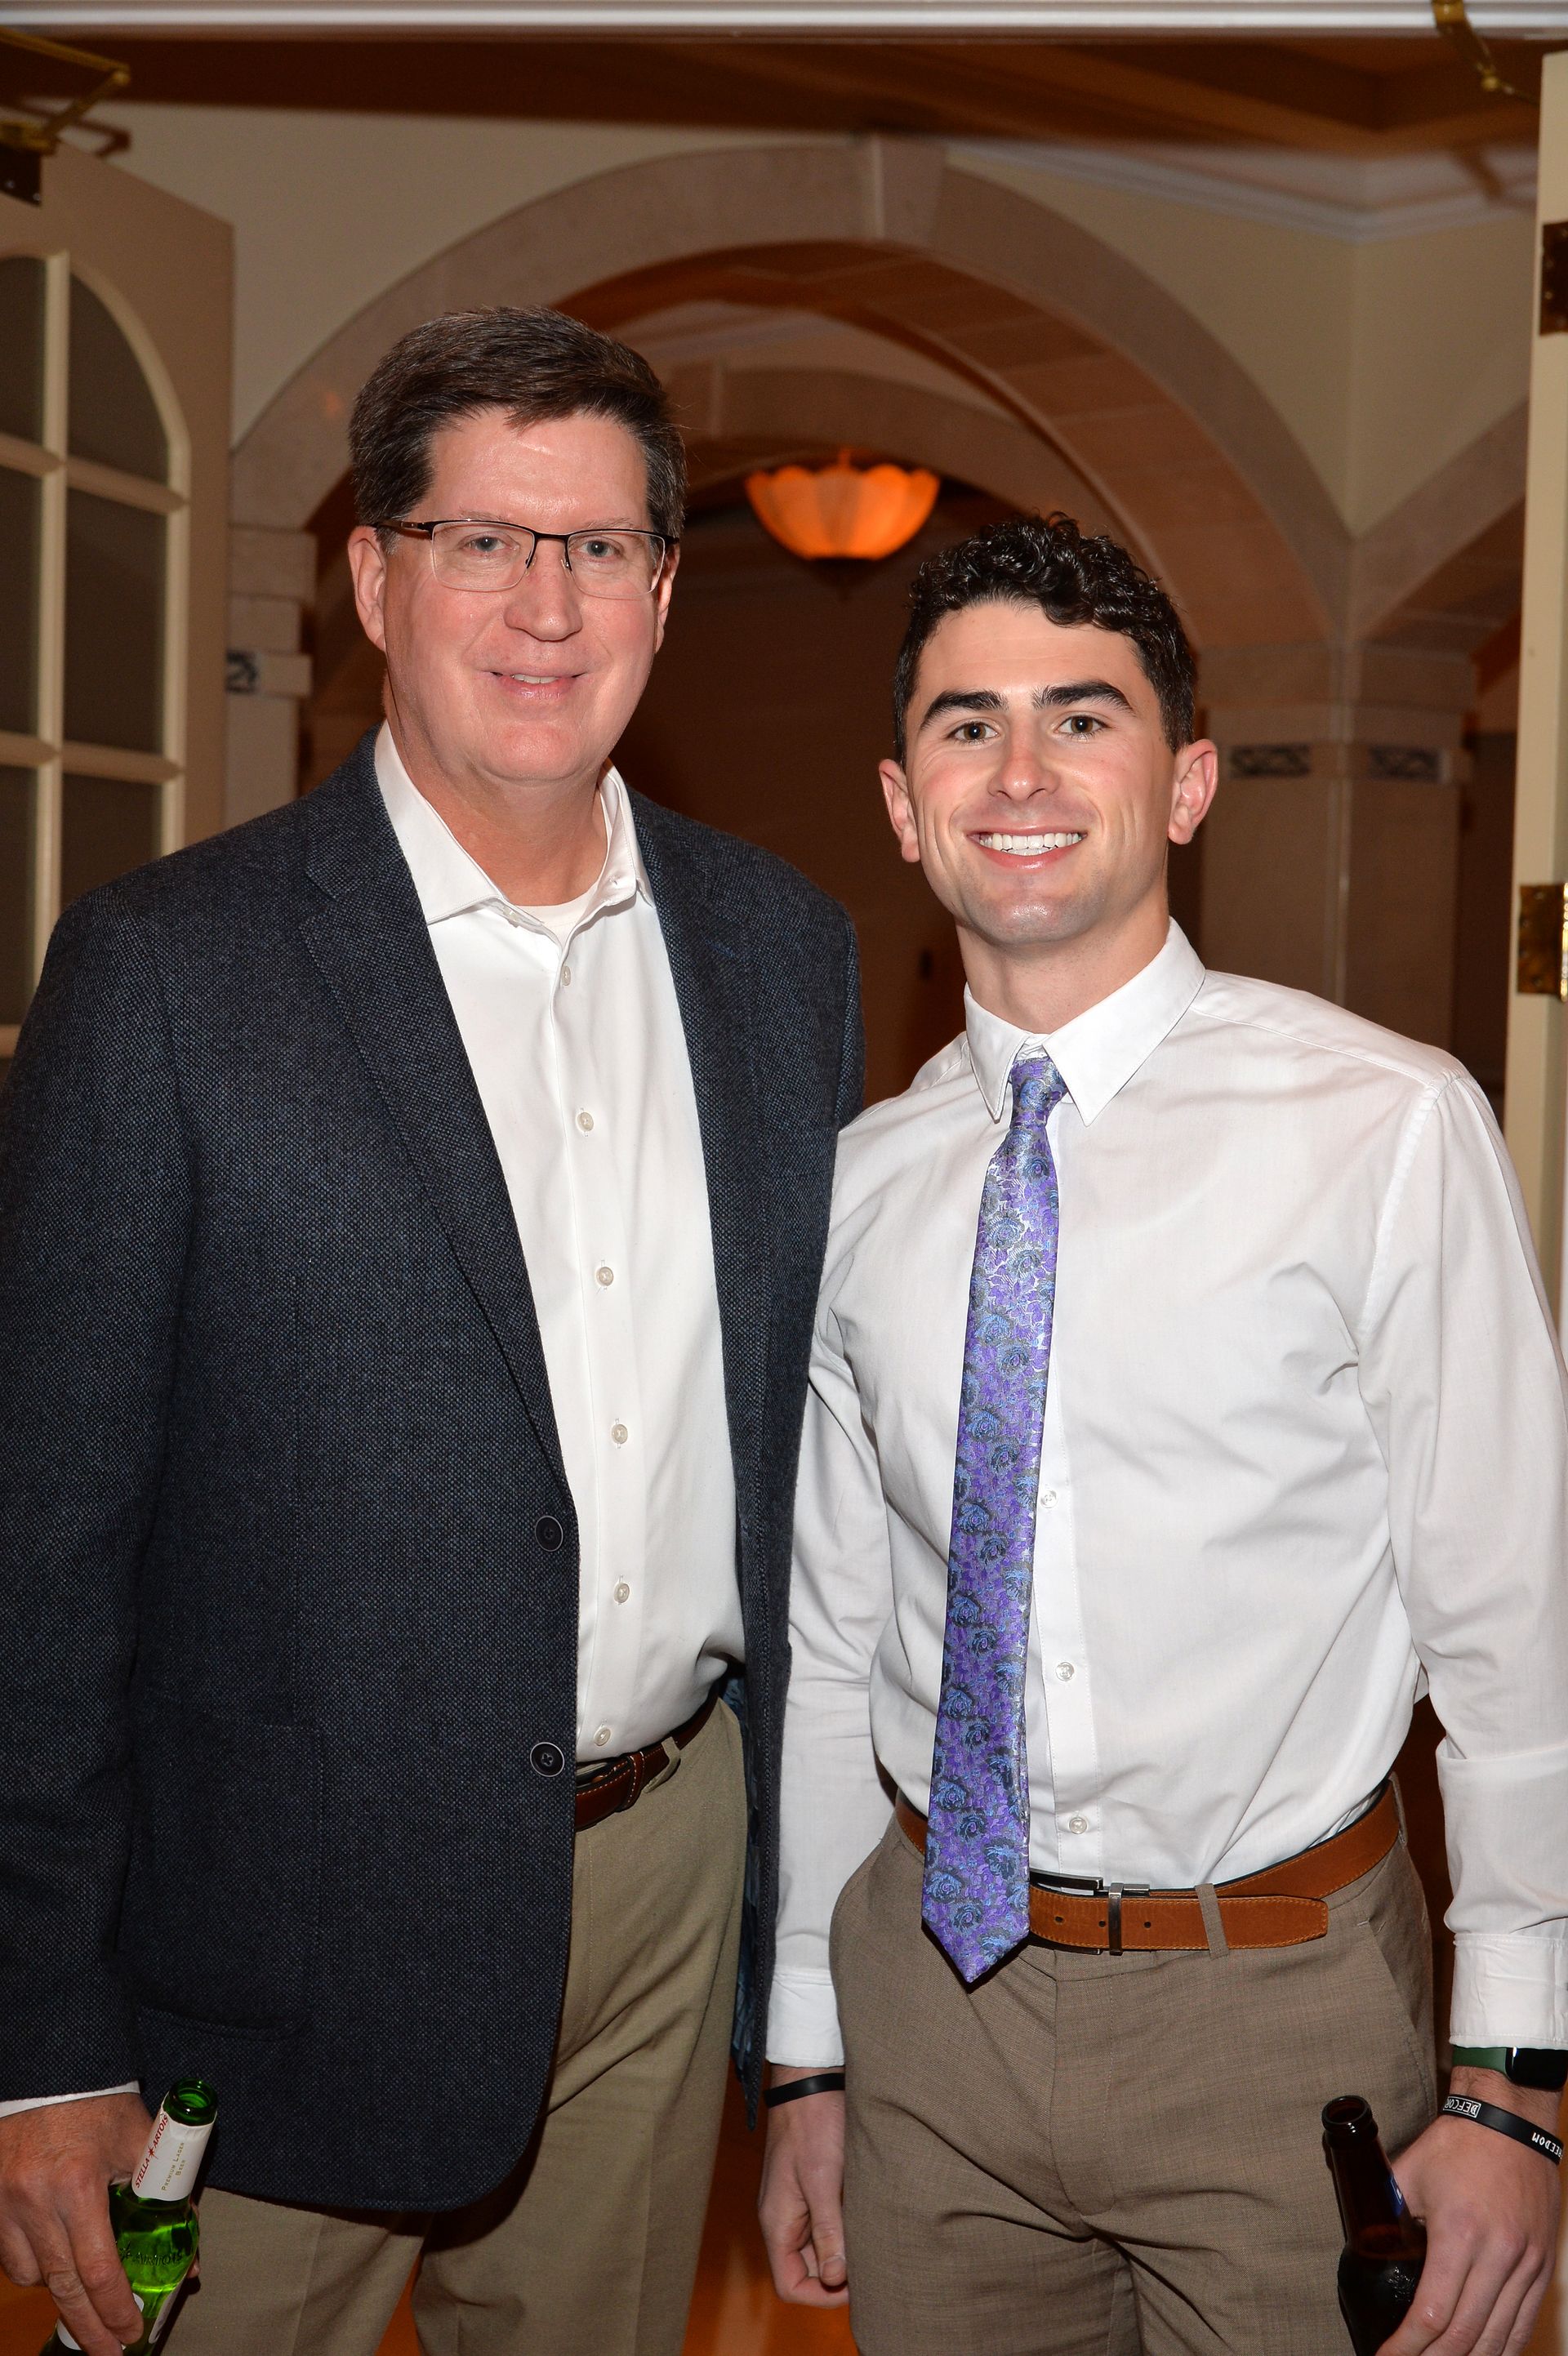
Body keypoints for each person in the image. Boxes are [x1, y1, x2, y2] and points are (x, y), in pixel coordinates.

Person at [0, 305, 862, 2356]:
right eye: (481, 541)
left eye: (594, 549)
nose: (543, 606)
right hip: (270, 1929)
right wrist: (38, 2039)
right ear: (375, 579)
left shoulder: (780, 949)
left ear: (664, 586)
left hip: (665, 1876)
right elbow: (39, 1543)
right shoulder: (169, 971)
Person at [758, 514, 1567, 2356]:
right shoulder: (862, 1188)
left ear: (1187, 780)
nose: (1021, 773)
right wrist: (805, 2048)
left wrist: (1517, 2085)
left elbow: (1521, 1634)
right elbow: (828, 1646)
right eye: (966, 727)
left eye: (1084, 718)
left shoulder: (1384, 1128)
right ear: (902, 803)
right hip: (933, 2014)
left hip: (1275, 2014)